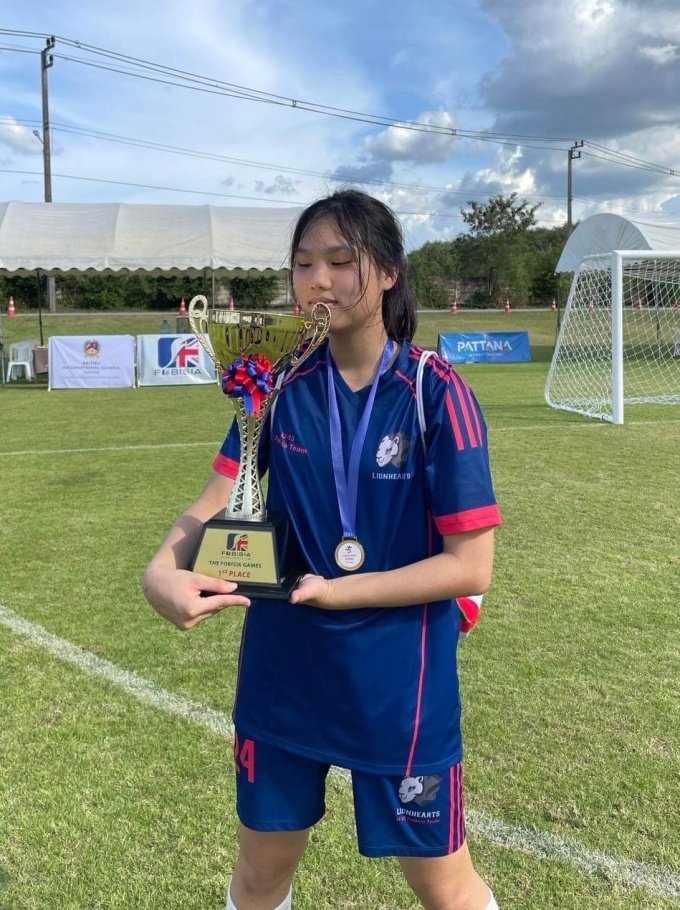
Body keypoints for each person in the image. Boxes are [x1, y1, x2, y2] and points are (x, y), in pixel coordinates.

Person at [142, 189, 502, 910]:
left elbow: (471, 565)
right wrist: (160, 570)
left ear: (391, 272)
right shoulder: (273, 388)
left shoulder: (436, 393)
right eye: (305, 263)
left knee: (444, 884)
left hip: (400, 681)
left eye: (342, 261)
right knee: (261, 873)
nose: (319, 280)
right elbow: (214, 502)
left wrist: (344, 590)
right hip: (285, 672)